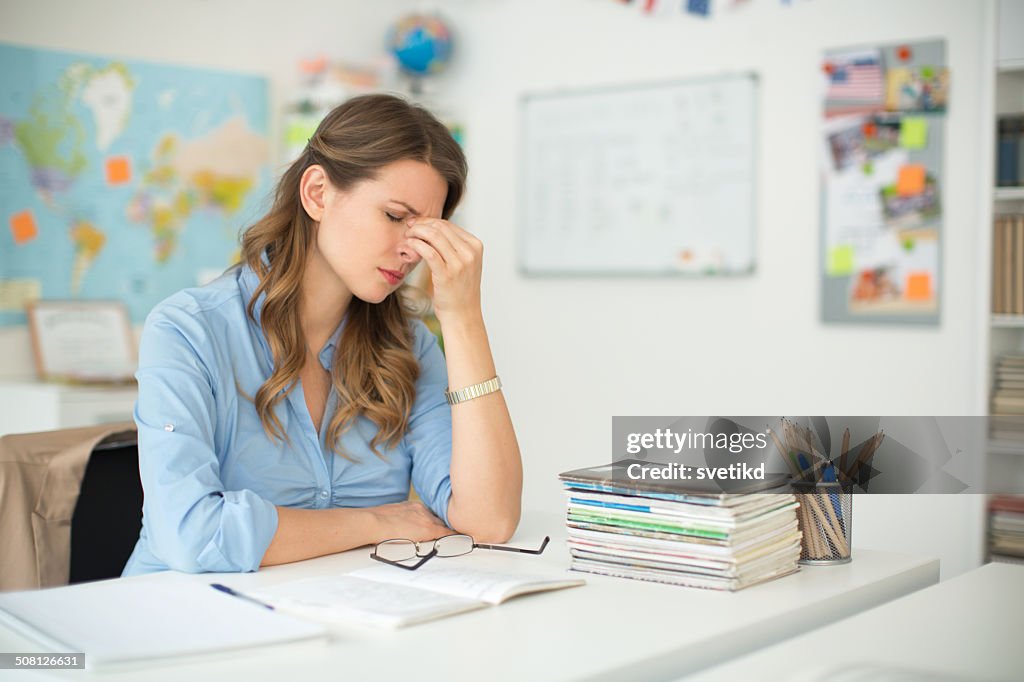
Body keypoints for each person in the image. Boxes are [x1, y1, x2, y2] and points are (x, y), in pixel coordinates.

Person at [122, 94, 522, 575]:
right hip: (182, 618)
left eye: (426, 230)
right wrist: (373, 522)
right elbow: (192, 535)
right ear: (317, 194)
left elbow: (489, 521)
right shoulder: (188, 330)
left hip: (335, 618)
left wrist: (463, 319)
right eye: (395, 217)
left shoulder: (409, 344)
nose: (410, 250)